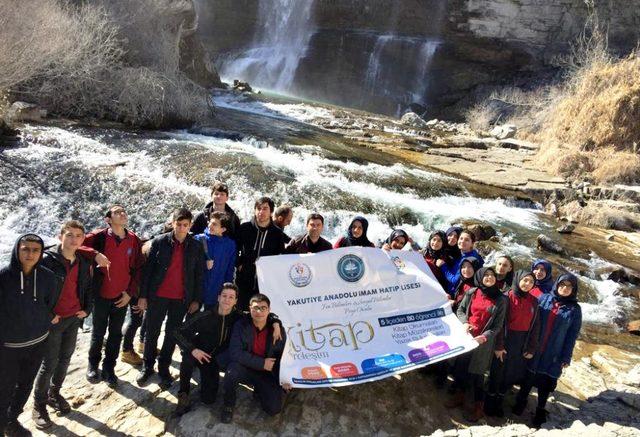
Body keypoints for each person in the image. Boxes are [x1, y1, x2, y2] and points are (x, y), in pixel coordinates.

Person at [173, 284, 282, 415]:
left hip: (214, 361)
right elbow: (177, 332)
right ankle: (183, 395)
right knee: (187, 356)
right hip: (198, 354)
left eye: (231, 297)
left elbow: (261, 313)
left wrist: (276, 322)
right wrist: (193, 349)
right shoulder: (205, 315)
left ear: (236, 301)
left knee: (208, 400)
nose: (227, 300)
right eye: (224, 296)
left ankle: (209, 379)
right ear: (218, 298)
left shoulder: (240, 317)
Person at [33, 221, 94, 429]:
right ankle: (38, 404)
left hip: (73, 318)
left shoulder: (83, 262)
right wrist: (47, 314)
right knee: (48, 363)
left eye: (78, 235)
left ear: (83, 239)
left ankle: (54, 393)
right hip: (54, 320)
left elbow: (87, 288)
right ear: (60, 236)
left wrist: (87, 309)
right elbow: (35, 292)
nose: (73, 239)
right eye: (69, 235)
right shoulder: (47, 261)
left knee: (65, 358)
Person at [136, 208, 205, 389]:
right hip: (157, 296)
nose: (182, 228)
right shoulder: (159, 242)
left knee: (172, 334)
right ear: (172, 223)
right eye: (179, 224)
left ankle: (164, 367)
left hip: (181, 298)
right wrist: (142, 296)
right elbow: (148, 272)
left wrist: (197, 300)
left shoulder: (196, 246)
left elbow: (200, 275)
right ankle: (147, 366)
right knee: (152, 332)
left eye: (185, 225)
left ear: (190, 226)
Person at [0, 235, 58, 436]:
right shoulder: (3, 278)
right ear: (17, 250)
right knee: (3, 390)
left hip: (38, 343)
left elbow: (49, 305)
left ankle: (11, 420)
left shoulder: (48, 276)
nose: (30, 254)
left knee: (24, 386)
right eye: (25, 249)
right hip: (8, 348)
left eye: (35, 250)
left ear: (41, 252)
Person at [82, 205, 143, 387]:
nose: (122, 213)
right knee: (98, 332)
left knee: (116, 334)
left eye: (124, 211)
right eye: (117, 212)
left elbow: (138, 268)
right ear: (108, 219)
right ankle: (93, 364)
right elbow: (75, 245)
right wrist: (95, 254)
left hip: (121, 296)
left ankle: (109, 368)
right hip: (101, 294)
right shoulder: (99, 237)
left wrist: (130, 293)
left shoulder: (133, 239)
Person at [512, 273, 582, 428]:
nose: (564, 288)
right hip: (536, 347)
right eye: (562, 285)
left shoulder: (575, 310)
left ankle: (540, 409)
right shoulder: (544, 299)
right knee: (528, 377)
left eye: (568, 286)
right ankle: (520, 402)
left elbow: (572, 335)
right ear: (556, 284)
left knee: (545, 383)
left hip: (554, 351)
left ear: (573, 289)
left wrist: (566, 356)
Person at [446, 267, 507, 423]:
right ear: (480, 277)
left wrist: (484, 337)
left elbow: (498, 325)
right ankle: (459, 397)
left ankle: (479, 408)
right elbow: (461, 310)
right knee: (461, 368)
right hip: (466, 338)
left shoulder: (501, 299)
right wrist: (464, 323)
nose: (489, 277)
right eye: (486, 275)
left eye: (492, 275)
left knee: (478, 375)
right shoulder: (472, 292)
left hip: (483, 343)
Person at [220, 294, 287, 424]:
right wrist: (262, 363)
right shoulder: (241, 325)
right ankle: (228, 404)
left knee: (273, 409)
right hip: (246, 368)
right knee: (231, 371)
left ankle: (260, 390)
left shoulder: (277, 330)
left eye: (263, 308)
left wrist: (284, 379)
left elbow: (282, 357)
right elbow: (235, 353)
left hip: (266, 374)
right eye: (255, 308)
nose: (259, 312)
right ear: (250, 308)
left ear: (269, 309)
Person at [485, 270, 540, 417]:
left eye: (531, 282)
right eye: (525, 280)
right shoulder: (506, 297)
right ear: (517, 279)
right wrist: (499, 345)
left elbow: (535, 326)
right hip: (505, 338)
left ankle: (499, 402)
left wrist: (531, 347)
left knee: (511, 373)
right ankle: (489, 403)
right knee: (497, 372)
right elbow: (500, 323)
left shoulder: (534, 301)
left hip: (521, 342)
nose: (527, 284)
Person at [236, 197, 285, 310]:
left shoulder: (277, 234)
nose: (261, 212)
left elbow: (280, 257)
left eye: (265, 209)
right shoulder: (245, 228)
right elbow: (234, 249)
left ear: (271, 212)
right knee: (240, 314)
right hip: (243, 280)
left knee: (259, 315)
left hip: (264, 283)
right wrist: (238, 264)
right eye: (258, 208)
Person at [194, 211, 237, 311]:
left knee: (212, 323)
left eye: (214, 224)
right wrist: (204, 264)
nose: (210, 225)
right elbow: (189, 264)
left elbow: (230, 270)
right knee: (191, 321)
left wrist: (227, 291)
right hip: (197, 291)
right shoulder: (198, 239)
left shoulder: (230, 245)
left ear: (223, 229)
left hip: (217, 291)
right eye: (210, 222)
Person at [438, 230, 484, 296]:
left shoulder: (468, 260)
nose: (462, 241)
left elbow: (455, 281)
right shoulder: (469, 252)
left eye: (467, 240)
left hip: (456, 293)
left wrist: (443, 266)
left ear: (472, 243)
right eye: (461, 238)